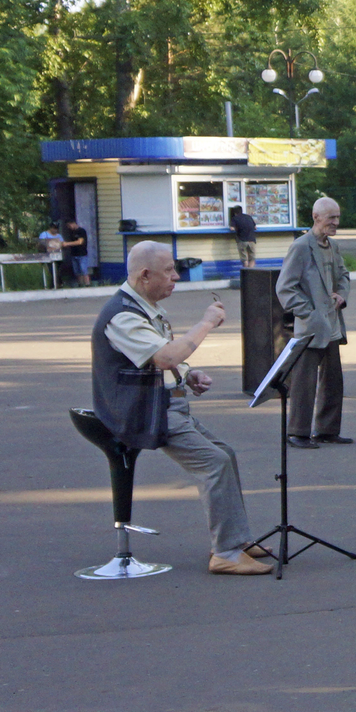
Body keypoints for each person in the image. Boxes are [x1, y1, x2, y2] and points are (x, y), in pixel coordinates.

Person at [93, 241, 268, 574]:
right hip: (142, 412)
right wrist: (206, 324)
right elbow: (165, 356)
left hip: (164, 405)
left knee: (224, 454)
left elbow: (164, 358)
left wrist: (187, 375)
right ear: (145, 275)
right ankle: (225, 554)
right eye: (169, 271)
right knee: (214, 463)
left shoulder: (143, 307)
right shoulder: (122, 316)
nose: (176, 276)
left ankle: (239, 539)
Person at [276, 197, 352, 450]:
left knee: (333, 381)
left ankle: (327, 430)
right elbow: (285, 288)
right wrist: (309, 313)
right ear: (316, 217)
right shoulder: (301, 247)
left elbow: (343, 276)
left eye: (338, 217)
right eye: (331, 217)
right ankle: (298, 432)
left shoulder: (334, 246)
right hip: (310, 327)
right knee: (303, 383)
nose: (336, 223)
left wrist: (342, 294)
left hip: (332, 325)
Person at [61, 218, 90, 286]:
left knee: (83, 270)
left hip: (82, 254)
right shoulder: (71, 232)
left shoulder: (81, 231)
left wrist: (67, 244)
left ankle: (87, 284)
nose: (69, 227)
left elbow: (80, 242)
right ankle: (80, 284)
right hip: (74, 254)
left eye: (69, 225)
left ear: (73, 223)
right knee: (77, 271)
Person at [229, 205, 257, 270]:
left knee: (244, 259)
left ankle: (246, 274)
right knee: (252, 258)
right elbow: (255, 227)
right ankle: (251, 273)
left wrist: (237, 228)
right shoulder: (248, 217)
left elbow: (232, 228)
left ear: (235, 213)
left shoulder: (235, 218)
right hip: (252, 240)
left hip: (242, 240)